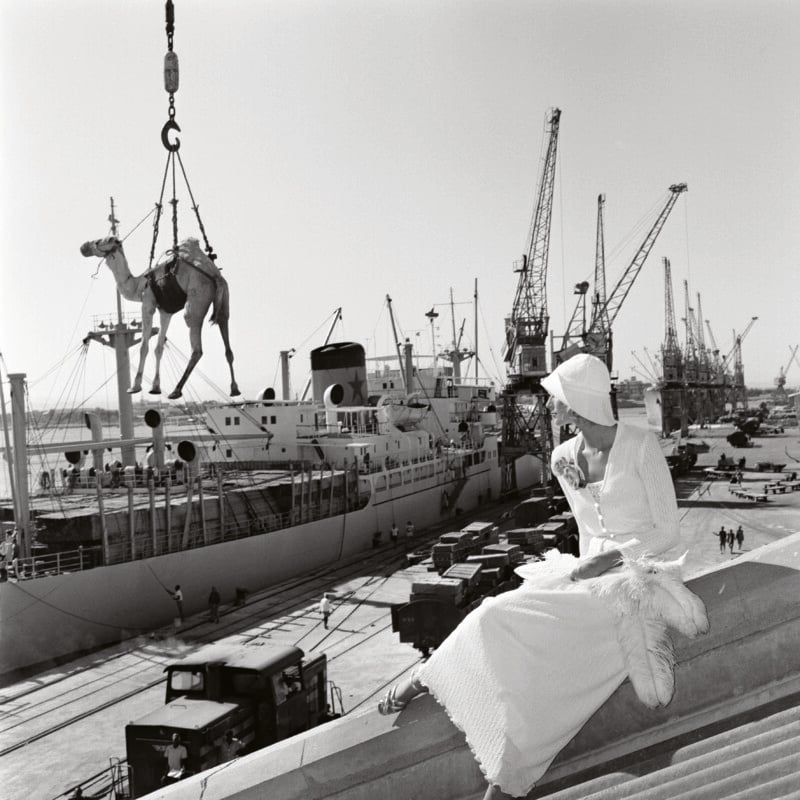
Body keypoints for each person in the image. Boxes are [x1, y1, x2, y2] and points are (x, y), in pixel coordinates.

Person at [377, 354, 682, 800]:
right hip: (583, 574)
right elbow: (585, 529)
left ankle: (507, 781)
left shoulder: (641, 444)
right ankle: (425, 677)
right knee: (492, 613)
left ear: (578, 402)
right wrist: (580, 572)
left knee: (548, 669)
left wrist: (611, 560)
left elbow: (668, 531)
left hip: (639, 576)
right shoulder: (562, 458)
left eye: (557, 397)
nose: (551, 405)